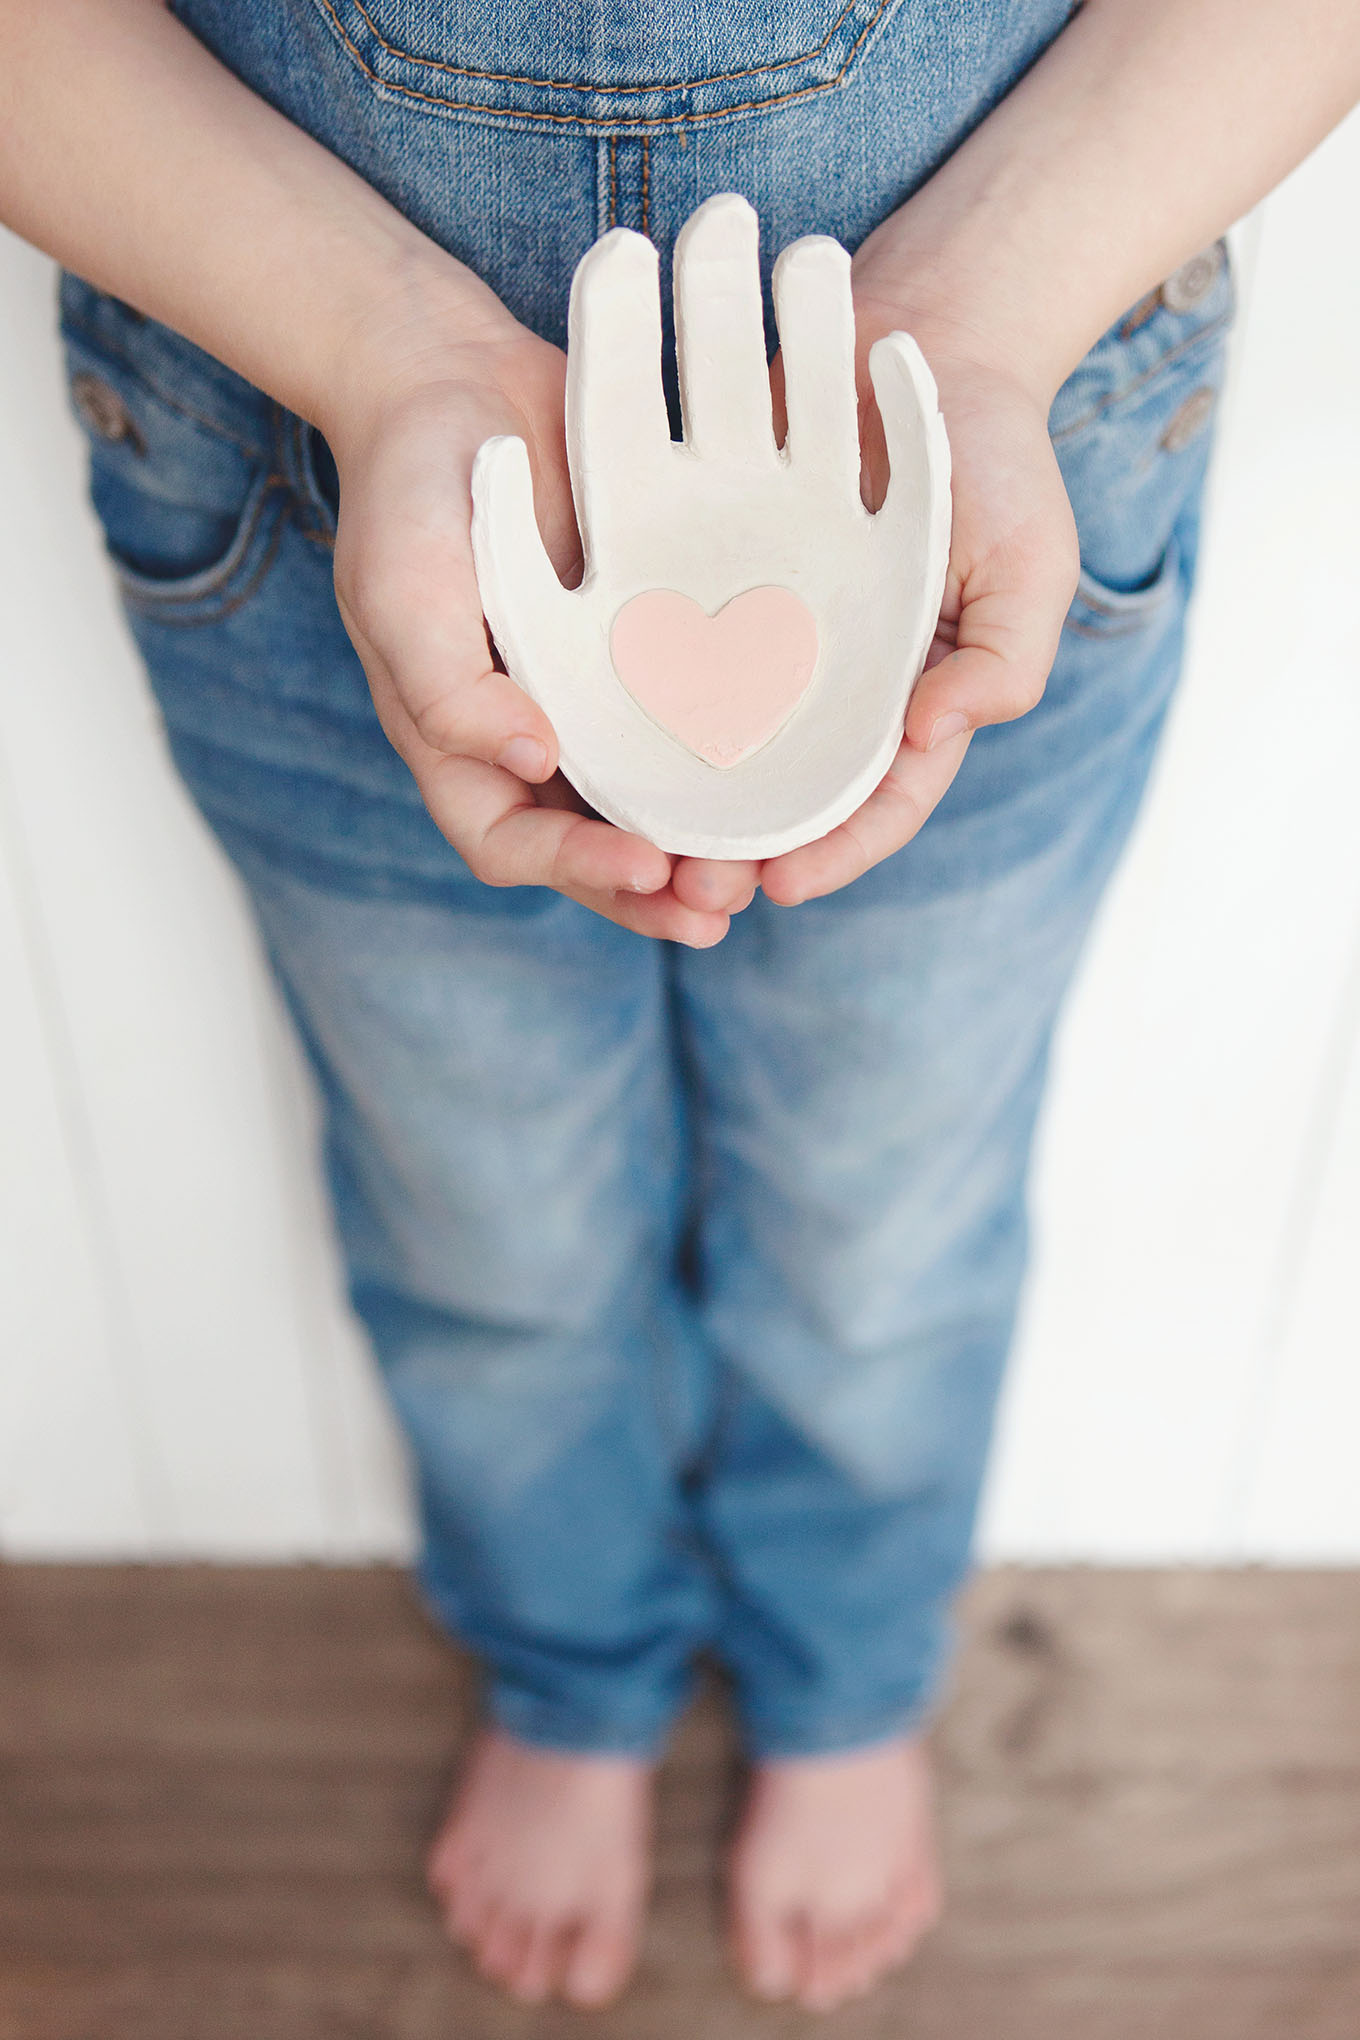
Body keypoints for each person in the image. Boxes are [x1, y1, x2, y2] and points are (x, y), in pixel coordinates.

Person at [2, 0, 1356, 2014]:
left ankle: (843, 1667)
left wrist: (971, 326)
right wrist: (383, 355)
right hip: (296, 451)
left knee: (886, 1219)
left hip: (999, 423)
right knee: (485, 1220)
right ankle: (573, 1661)